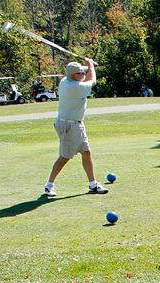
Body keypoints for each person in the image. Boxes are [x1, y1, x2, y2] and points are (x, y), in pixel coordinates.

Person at [44, 59, 108, 196]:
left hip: (77, 124)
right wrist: (91, 65)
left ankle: (93, 184)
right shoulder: (76, 87)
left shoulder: (65, 80)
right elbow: (92, 80)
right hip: (68, 126)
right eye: (80, 73)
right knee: (65, 157)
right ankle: (49, 184)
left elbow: (85, 73)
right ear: (74, 75)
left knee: (86, 152)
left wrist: (89, 66)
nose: (83, 74)